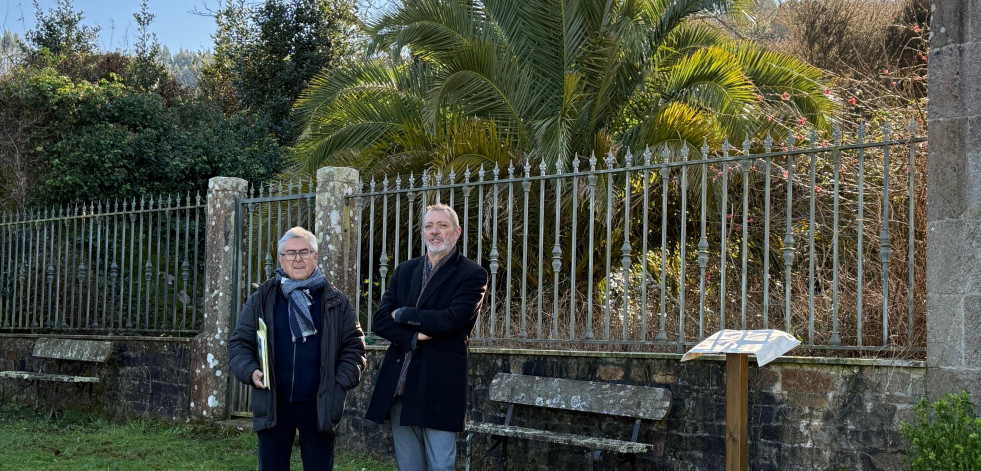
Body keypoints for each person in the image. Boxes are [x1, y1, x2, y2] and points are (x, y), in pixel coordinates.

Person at [229, 226, 366, 470]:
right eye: (290, 253)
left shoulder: (335, 300)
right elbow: (240, 343)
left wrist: (338, 383)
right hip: (273, 402)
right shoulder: (263, 297)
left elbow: (354, 347)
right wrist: (250, 371)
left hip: (319, 404)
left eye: (304, 251)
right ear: (281, 259)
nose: (298, 258)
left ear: (316, 256)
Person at [365, 203, 489, 471]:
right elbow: (380, 321)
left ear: (456, 233)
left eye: (442, 225)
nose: (435, 232)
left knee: (441, 465)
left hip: (440, 382)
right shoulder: (406, 270)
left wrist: (405, 313)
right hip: (400, 381)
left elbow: (451, 320)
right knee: (409, 465)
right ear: (423, 232)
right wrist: (413, 337)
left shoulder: (472, 274)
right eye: (429, 226)